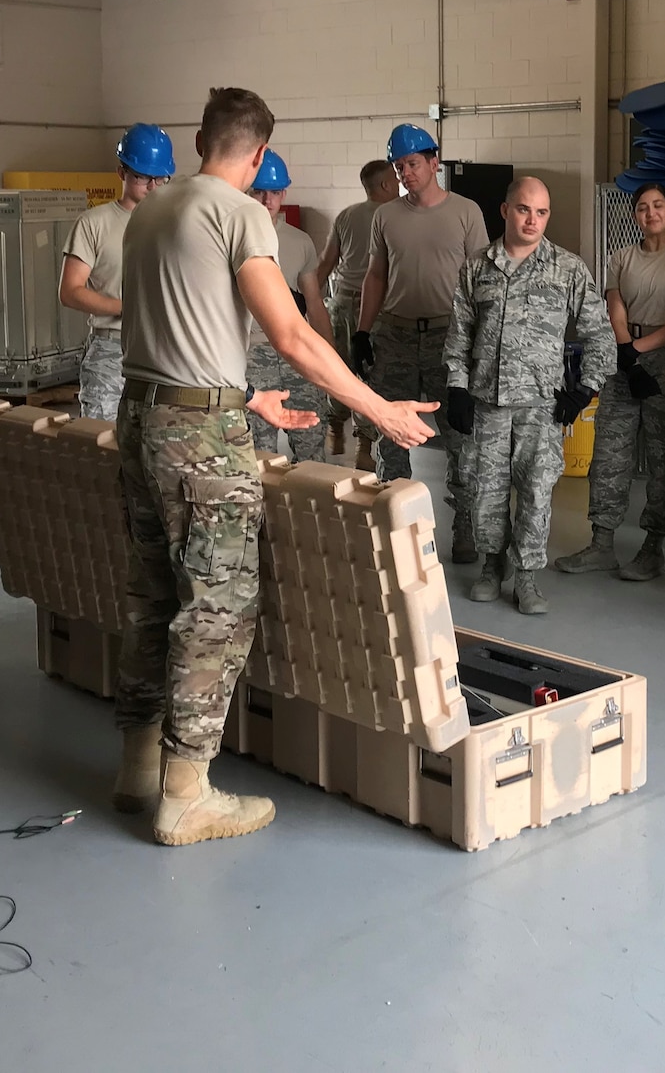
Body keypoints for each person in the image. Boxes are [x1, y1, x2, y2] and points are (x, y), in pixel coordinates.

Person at [107, 88, 438, 849]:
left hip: (145, 416)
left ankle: (137, 768)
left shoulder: (151, 211)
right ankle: (186, 791)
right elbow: (288, 330)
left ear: (199, 140)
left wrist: (244, 396)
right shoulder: (243, 212)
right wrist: (379, 407)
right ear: (258, 156)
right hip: (199, 436)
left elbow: (172, 327)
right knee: (217, 609)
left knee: (152, 592)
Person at [444, 178, 613, 616]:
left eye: (541, 212)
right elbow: (459, 336)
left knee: (537, 492)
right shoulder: (476, 267)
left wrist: (585, 389)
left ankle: (527, 576)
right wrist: (457, 387)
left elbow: (599, 334)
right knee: (486, 491)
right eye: (523, 210)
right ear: (504, 210)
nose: (532, 220)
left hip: (541, 405)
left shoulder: (568, 268)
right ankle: (491, 565)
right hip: (487, 402)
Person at [557, 183, 665, 582]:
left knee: (664, 457)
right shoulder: (621, 256)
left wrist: (638, 349)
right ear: (634, 215)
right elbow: (615, 303)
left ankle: (653, 548)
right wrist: (626, 350)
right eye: (642, 207)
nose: (650, 213)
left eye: (658, 205)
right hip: (625, 357)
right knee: (610, 452)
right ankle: (601, 543)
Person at [354, 123, 489, 561]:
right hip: (394, 335)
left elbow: (480, 284)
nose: (405, 173)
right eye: (399, 166)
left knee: (459, 436)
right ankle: (395, 525)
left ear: (434, 162)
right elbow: (376, 276)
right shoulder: (385, 216)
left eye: (412, 164)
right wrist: (361, 331)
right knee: (391, 434)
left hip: (448, 338)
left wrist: (479, 343)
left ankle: (466, 524)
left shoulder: (466, 212)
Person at [61, 123, 174, 420]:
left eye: (160, 179)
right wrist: (127, 309)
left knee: (158, 447)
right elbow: (70, 291)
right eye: (142, 177)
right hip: (111, 348)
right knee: (102, 447)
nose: (152, 187)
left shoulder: (175, 225)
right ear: (121, 172)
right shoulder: (93, 224)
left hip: (163, 350)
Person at [244, 149, 330, 463]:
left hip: (297, 353)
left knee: (311, 446)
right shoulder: (234, 237)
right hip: (253, 355)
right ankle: (262, 513)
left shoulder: (300, 241)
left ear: (284, 193)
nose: (267, 200)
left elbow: (315, 305)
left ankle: (312, 510)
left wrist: (328, 358)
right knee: (258, 451)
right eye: (259, 191)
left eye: (275, 192)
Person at [315, 158, 399, 468]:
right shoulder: (394, 216)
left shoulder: (346, 216)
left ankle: (335, 424)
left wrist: (311, 302)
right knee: (369, 373)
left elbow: (326, 262)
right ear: (386, 185)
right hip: (374, 306)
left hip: (342, 301)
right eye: (396, 178)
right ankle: (364, 442)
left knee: (339, 367)